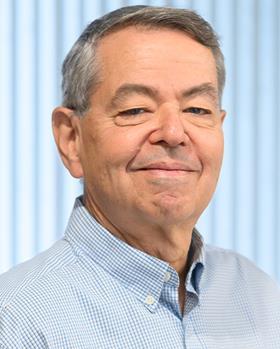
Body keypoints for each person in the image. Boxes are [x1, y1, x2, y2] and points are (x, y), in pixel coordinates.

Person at [0, 5, 279, 348]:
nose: (174, 133)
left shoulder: (259, 296)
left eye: (197, 110)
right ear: (71, 140)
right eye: (135, 109)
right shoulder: (17, 321)